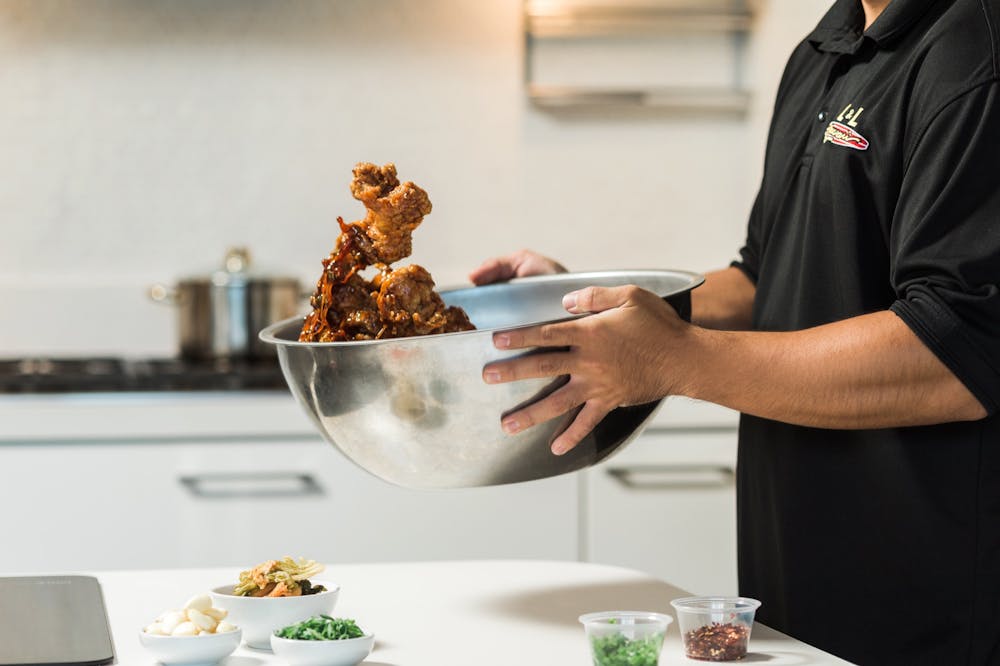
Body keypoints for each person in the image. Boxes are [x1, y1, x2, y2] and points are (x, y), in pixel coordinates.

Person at [469, 0, 1000, 663]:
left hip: (929, 612)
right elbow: (762, 278)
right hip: (800, 590)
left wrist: (679, 359)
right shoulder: (826, 48)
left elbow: (958, 352)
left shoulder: (974, 51)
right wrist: (590, 311)